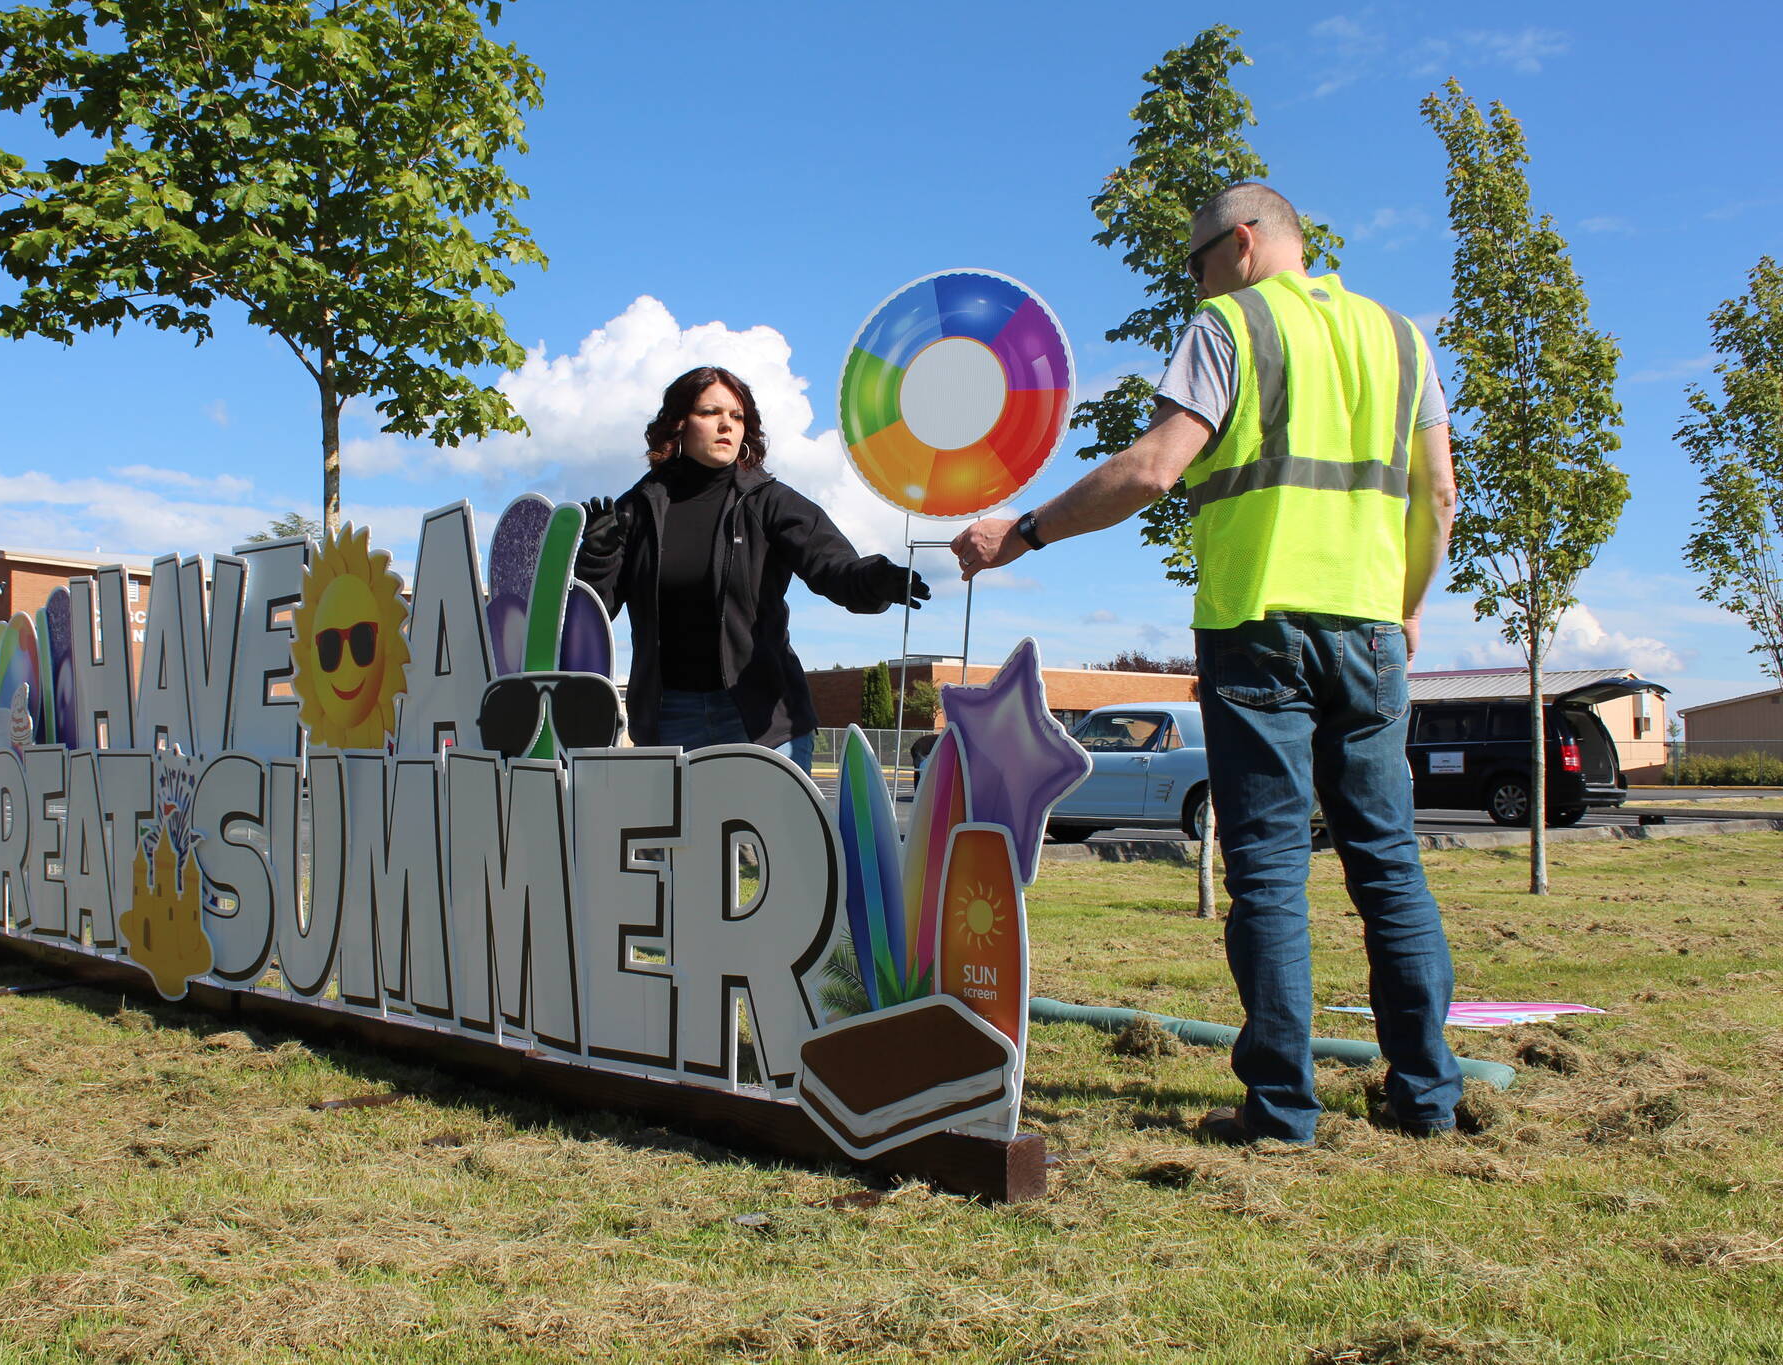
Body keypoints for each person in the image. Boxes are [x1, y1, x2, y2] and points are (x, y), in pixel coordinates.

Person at [951, 183, 1463, 1145]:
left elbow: (1154, 467)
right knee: (1390, 863)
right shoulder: (1403, 339)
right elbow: (1438, 494)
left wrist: (1023, 532)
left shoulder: (1229, 325)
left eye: (1195, 261)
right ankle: (1428, 1096)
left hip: (1257, 623)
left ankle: (1282, 1111)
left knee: (1267, 870)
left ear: (1244, 242)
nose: (1192, 280)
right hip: (1370, 630)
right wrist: (1406, 606)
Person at [576, 365, 927, 773]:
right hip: (669, 718)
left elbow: (833, 566)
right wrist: (598, 555)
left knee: (771, 821)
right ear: (678, 424)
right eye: (710, 412)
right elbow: (592, 614)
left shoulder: (769, 501)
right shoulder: (637, 508)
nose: (726, 424)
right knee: (675, 821)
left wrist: (876, 580)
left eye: (737, 415)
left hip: (763, 719)